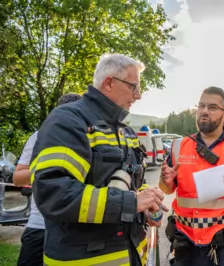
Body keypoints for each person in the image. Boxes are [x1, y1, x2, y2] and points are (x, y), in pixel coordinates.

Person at [30, 53, 168, 265]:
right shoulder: (68, 121)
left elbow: (127, 187)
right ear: (109, 83)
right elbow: (54, 193)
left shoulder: (126, 132)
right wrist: (132, 203)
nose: (138, 95)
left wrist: (146, 202)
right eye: (134, 87)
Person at [159, 86, 224, 266]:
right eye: (201, 106)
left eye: (212, 107)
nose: (204, 111)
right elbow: (167, 189)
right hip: (186, 241)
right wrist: (165, 181)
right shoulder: (178, 147)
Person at [13, 93, 82, 266]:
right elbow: (17, 179)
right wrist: (47, 165)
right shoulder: (38, 136)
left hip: (76, 228)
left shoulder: (88, 138)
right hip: (39, 224)